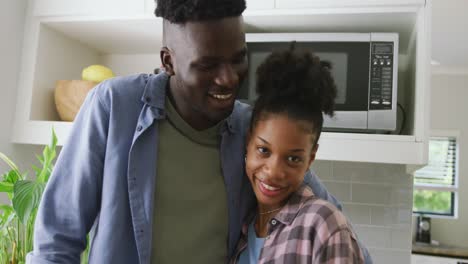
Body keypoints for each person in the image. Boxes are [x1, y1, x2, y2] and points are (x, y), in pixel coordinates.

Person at [27, 0, 371, 263]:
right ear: (168, 61)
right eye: (207, 65)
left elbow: (333, 221)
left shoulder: (251, 132)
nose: (228, 78)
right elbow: (56, 241)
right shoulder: (114, 106)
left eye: (238, 59)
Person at [230, 48, 364, 263]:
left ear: (310, 159)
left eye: (293, 158)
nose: (273, 172)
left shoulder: (323, 224)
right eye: (264, 150)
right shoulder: (246, 226)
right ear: (248, 143)